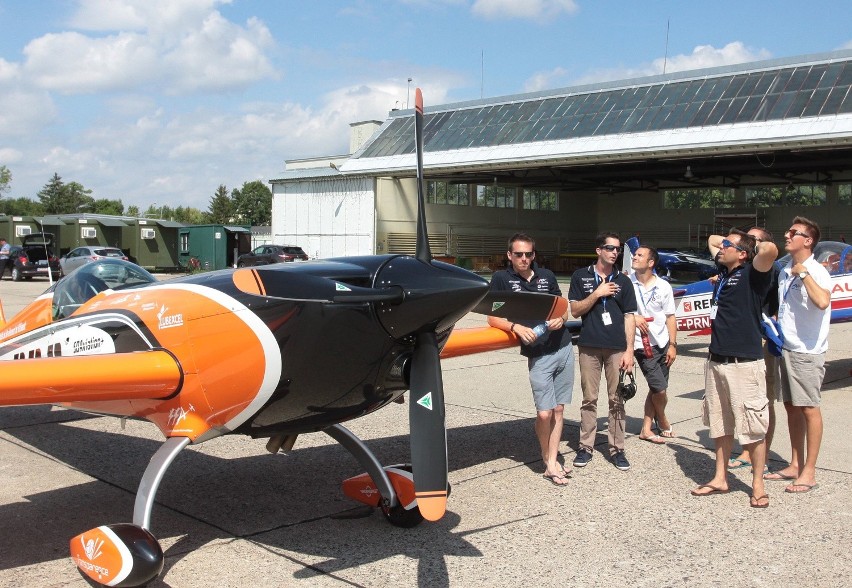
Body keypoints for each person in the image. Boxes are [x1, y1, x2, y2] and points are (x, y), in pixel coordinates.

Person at [691, 229, 777, 508]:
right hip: (717, 360)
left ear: (743, 254)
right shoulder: (725, 273)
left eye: (729, 246)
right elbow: (713, 239)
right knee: (720, 423)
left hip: (745, 363)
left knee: (752, 428)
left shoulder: (755, 273)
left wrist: (751, 242)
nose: (720, 247)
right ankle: (720, 478)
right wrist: (732, 241)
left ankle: (758, 485)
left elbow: (771, 252)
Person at [487, 233, 575, 486]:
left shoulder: (546, 276)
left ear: (534, 255)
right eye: (518, 255)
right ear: (509, 256)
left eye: (528, 254)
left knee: (559, 409)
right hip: (538, 353)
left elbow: (562, 306)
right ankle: (547, 457)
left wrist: (561, 318)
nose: (524, 259)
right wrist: (515, 327)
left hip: (563, 346)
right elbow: (492, 317)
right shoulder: (501, 279)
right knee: (544, 413)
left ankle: (551, 461)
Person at [763, 217, 831, 493]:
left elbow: (823, 301)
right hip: (787, 347)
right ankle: (795, 462)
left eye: (794, 233)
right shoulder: (784, 271)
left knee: (809, 408)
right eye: (788, 230)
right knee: (791, 407)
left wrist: (804, 274)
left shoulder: (815, 270)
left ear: (808, 240)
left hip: (807, 351)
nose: (787, 235)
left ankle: (809, 472)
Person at [568, 231, 637, 471]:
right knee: (589, 398)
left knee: (617, 399)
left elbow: (630, 317)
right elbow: (575, 310)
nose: (614, 252)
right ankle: (586, 446)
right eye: (609, 248)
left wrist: (630, 351)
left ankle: (617, 448)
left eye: (617, 249)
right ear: (598, 250)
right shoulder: (581, 277)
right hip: (589, 346)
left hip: (617, 348)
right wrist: (597, 294)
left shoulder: (624, 281)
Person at [728, 227, 780, 472]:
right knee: (742, 403)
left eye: (755, 240)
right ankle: (747, 450)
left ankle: (763, 454)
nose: (750, 243)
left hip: (761, 339)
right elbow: (714, 240)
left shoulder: (769, 267)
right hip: (740, 341)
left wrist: (754, 246)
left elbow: (775, 306)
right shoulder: (742, 268)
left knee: (762, 402)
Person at [629, 246, 677, 444]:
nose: (634, 257)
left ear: (651, 263)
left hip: (662, 343)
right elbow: (618, 311)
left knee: (655, 387)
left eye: (640, 255)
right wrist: (634, 317)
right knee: (660, 389)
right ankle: (663, 419)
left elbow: (670, 317)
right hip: (641, 345)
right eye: (635, 254)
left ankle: (646, 428)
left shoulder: (663, 286)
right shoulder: (626, 282)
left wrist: (673, 345)